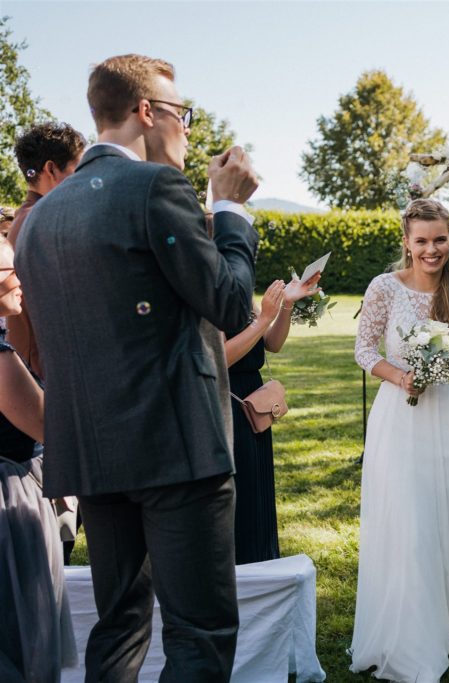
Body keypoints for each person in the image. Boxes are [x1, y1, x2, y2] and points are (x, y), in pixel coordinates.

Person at [15, 54, 259, 681]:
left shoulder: (37, 220)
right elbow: (230, 304)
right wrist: (230, 211)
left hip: (93, 456)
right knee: (199, 633)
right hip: (177, 449)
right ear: (147, 112)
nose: (186, 130)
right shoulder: (157, 188)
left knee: (119, 623)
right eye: (182, 114)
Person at [351, 198, 449, 682]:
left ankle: (446, 608)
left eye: (440, 239)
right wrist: (398, 376)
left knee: (448, 513)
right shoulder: (384, 288)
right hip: (400, 418)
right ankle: (413, 634)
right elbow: (363, 348)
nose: (431, 249)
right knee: (410, 519)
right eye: (421, 241)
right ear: (407, 243)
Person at [0, 236, 76, 682]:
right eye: (11, 271)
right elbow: (50, 428)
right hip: (12, 506)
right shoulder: (2, 359)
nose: (22, 280)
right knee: (19, 634)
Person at [224, 273, 318, 564]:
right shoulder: (209, 296)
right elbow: (219, 358)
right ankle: (238, 565)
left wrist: (285, 305)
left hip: (253, 402)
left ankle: (259, 562)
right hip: (226, 401)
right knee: (240, 491)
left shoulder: (241, 291)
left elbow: (272, 344)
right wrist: (263, 318)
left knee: (256, 489)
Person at [7, 122, 86, 379]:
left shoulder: (26, 217)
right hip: (47, 371)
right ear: (51, 169)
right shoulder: (43, 221)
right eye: (78, 170)